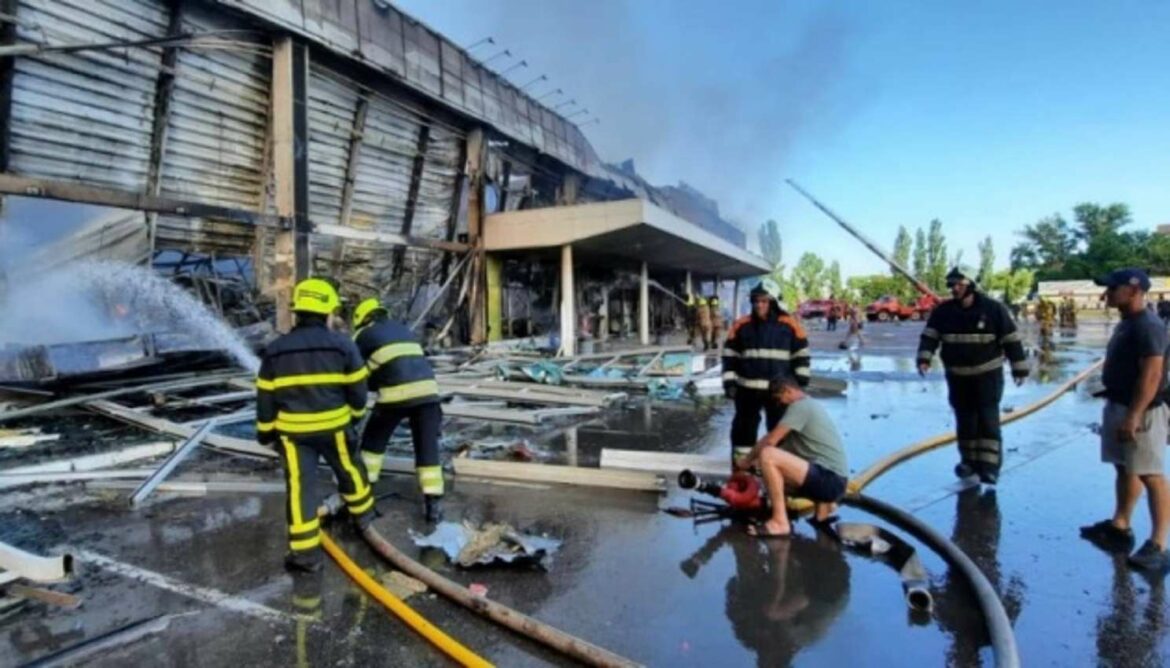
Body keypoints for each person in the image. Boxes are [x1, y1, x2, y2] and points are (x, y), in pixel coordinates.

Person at [256, 278, 374, 573]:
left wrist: (265, 432)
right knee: (349, 471)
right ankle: (364, 520)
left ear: (298, 312)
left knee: (300, 489)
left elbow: (266, 398)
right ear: (327, 313)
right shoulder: (343, 346)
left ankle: (305, 555)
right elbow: (359, 391)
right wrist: (355, 416)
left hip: (294, 436)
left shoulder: (275, 350)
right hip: (335, 428)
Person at [1079, 268, 1170, 573]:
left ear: (1133, 291)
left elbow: (1152, 374)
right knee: (1126, 467)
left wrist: (1133, 415)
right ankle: (1121, 525)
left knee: (1150, 473)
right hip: (1120, 404)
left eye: (1113, 288)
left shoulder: (1148, 325)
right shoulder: (1128, 323)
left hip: (1141, 411)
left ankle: (1159, 545)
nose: (1107, 294)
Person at [917, 266, 1028, 485]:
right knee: (965, 421)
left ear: (971, 285)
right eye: (951, 284)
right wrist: (924, 358)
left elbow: (1011, 339)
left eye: (959, 284)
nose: (954, 288)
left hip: (987, 376)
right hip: (958, 378)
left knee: (987, 420)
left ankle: (989, 467)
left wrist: (1019, 368)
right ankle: (968, 462)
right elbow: (930, 336)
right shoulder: (943, 312)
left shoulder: (993, 309)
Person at [352, 297, 444, 523]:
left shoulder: (362, 336)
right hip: (429, 395)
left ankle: (364, 494)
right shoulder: (403, 330)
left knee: (373, 444)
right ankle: (433, 507)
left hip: (395, 395)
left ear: (362, 319)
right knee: (427, 449)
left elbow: (353, 375)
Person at [734, 374, 849, 537]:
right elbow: (779, 448)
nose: (778, 403)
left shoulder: (801, 406)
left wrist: (746, 461)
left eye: (778, 398)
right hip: (834, 482)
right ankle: (823, 510)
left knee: (768, 455)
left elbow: (771, 441)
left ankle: (780, 522)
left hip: (830, 480)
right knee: (770, 477)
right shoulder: (807, 410)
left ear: (788, 391)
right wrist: (753, 466)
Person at [723, 279, 811, 463]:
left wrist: (800, 382)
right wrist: (729, 384)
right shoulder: (741, 325)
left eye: (763, 301)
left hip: (779, 393)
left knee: (780, 432)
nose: (758, 305)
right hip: (747, 391)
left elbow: (801, 354)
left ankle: (779, 468)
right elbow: (730, 356)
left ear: (774, 302)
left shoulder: (789, 325)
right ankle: (741, 470)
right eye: (756, 301)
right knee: (743, 431)